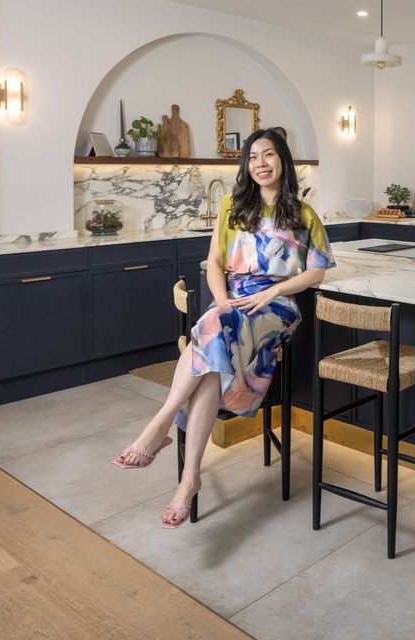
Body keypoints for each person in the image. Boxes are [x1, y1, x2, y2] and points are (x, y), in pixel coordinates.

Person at [112, 128, 335, 528]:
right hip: (232, 304)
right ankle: (189, 479)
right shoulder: (233, 206)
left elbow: (316, 272)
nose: (260, 164)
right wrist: (221, 299)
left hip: (277, 307)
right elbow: (214, 262)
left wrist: (275, 292)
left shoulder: (303, 215)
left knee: (212, 333)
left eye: (268, 155)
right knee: (215, 344)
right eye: (252, 157)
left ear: (282, 159)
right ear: (245, 165)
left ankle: (161, 424)